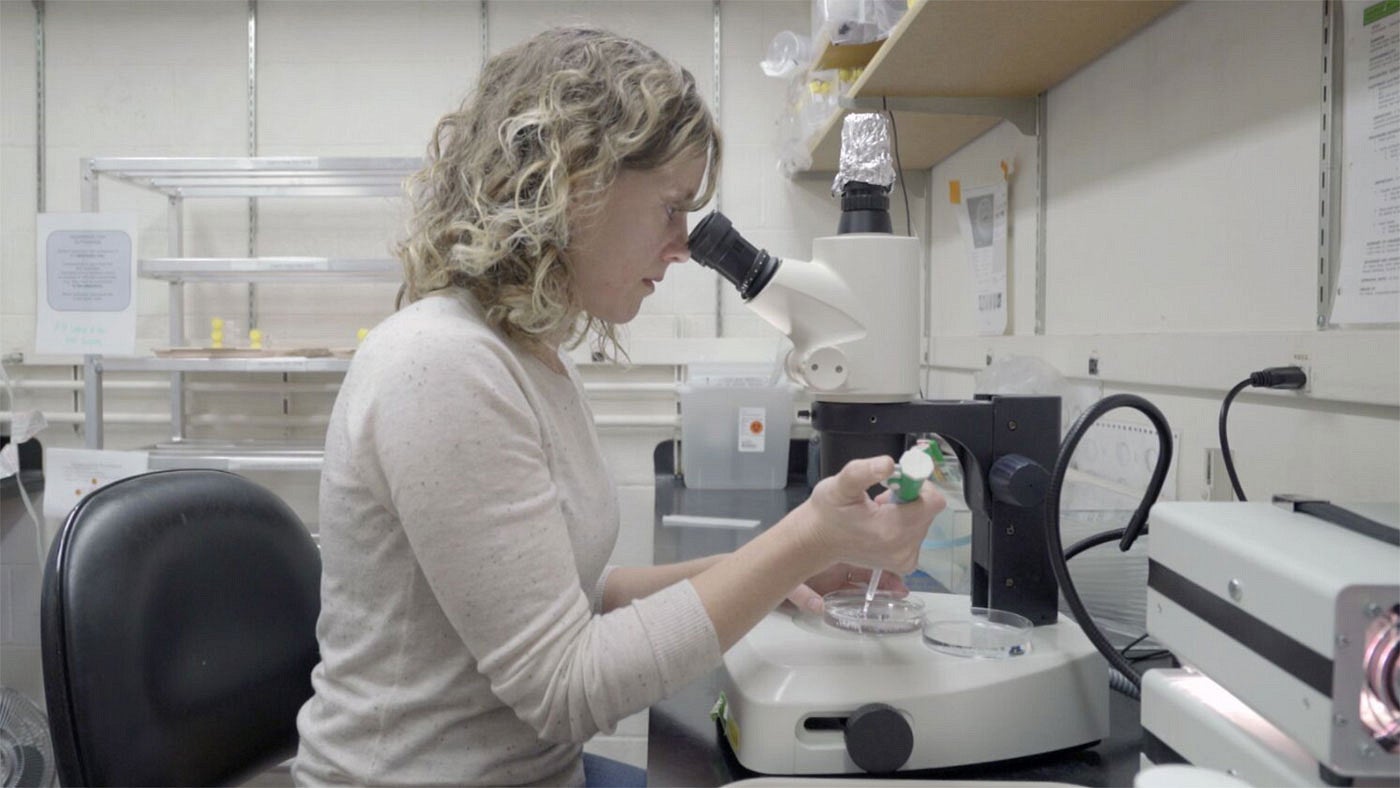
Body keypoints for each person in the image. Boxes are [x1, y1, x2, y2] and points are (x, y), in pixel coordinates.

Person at [292, 25, 944, 788]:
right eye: (671, 208)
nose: (683, 245)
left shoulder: (525, 355)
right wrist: (801, 539)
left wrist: (790, 573)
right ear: (574, 185)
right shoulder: (443, 366)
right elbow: (566, 689)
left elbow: (574, 599)